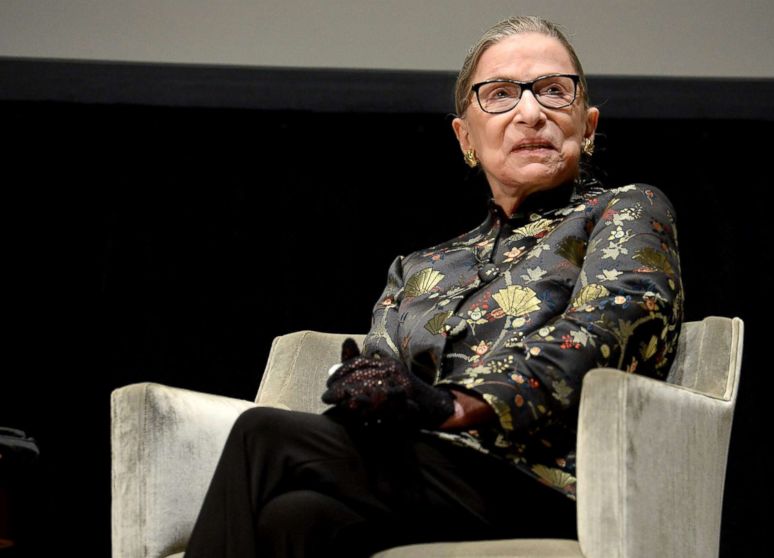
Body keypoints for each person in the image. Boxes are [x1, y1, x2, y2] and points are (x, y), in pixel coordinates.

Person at [184, 15, 684, 558]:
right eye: (500, 94)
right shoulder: (421, 265)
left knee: (263, 435)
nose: (532, 112)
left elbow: (610, 325)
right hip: (425, 478)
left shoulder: (626, 208)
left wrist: (454, 405)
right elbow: (385, 385)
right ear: (465, 137)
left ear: (587, 126)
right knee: (295, 518)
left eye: (553, 91)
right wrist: (364, 393)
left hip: (545, 481)